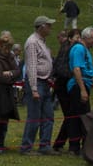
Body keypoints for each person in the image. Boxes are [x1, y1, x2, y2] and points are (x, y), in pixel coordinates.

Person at [21, 16, 55, 155]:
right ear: (41, 27)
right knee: (34, 117)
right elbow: (32, 66)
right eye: (48, 25)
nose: (50, 28)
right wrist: (34, 88)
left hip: (45, 83)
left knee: (48, 116)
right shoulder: (32, 42)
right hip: (37, 83)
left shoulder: (42, 42)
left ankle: (45, 145)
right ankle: (26, 147)